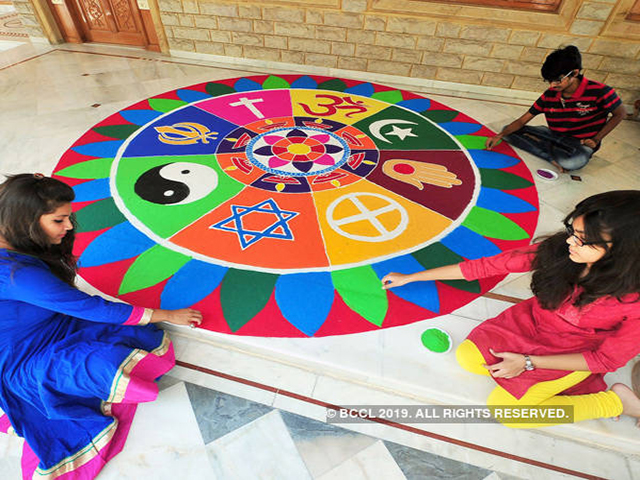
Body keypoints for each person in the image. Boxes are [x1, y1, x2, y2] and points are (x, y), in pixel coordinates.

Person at [0, 174, 203, 479]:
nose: (69, 227)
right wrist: (165, 314)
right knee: (109, 358)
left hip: (41, 326)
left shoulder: (10, 240)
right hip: (21, 360)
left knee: (127, 332)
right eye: (59, 220)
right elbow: (89, 307)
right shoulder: (18, 275)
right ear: (25, 221)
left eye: (67, 217)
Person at [382, 190, 640, 428]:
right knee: (468, 358)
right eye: (573, 231)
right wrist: (412, 277)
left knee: (508, 412)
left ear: (625, 251)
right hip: (529, 324)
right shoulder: (561, 250)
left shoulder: (634, 302)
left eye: (584, 240)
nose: (570, 241)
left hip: (573, 352)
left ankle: (616, 402)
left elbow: (604, 359)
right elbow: (488, 266)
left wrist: (528, 363)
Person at [485, 45, 626, 173]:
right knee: (508, 131)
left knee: (573, 161)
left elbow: (620, 114)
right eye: (549, 81)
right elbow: (523, 120)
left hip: (580, 143)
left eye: (557, 80)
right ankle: (551, 155)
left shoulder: (601, 91)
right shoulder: (550, 94)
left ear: (574, 73)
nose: (552, 85)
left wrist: (596, 139)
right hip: (553, 135)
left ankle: (547, 148)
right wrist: (499, 136)